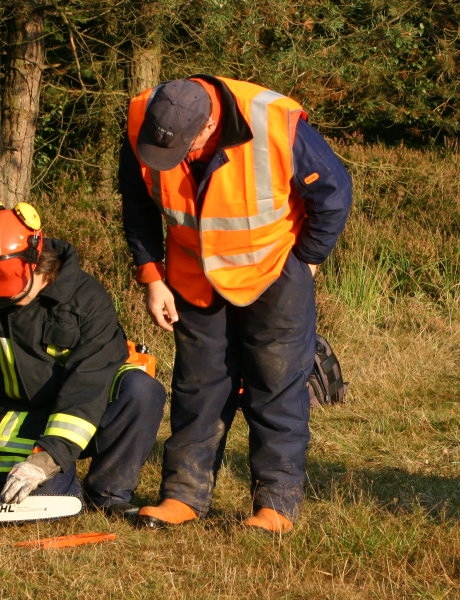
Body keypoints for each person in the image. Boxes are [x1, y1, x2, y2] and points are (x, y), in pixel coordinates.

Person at [119, 75, 352, 532]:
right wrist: (152, 277)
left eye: (184, 148)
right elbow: (137, 204)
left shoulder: (275, 122)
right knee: (197, 386)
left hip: (274, 269)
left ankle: (276, 505)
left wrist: (307, 261)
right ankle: (182, 497)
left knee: (278, 387)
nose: (176, 160)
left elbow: (334, 192)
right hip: (191, 274)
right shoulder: (144, 121)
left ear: (208, 127)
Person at [0, 201, 165, 516]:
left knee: (142, 389)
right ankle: (70, 492)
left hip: (87, 414)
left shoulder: (88, 300)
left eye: (20, 292)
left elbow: (88, 387)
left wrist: (47, 459)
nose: (12, 301)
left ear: (38, 261)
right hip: (22, 413)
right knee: (49, 506)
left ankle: (109, 494)